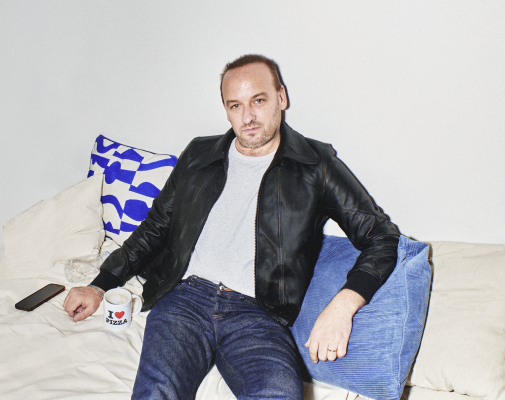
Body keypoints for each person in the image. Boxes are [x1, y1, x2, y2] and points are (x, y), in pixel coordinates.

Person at [64, 54, 400, 399]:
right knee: (158, 391)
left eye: (259, 100)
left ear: (281, 97)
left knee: (280, 395)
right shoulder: (199, 154)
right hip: (183, 300)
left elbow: (382, 237)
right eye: (235, 105)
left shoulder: (315, 165)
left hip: (258, 313)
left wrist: (344, 305)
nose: (248, 117)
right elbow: (155, 227)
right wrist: (100, 285)